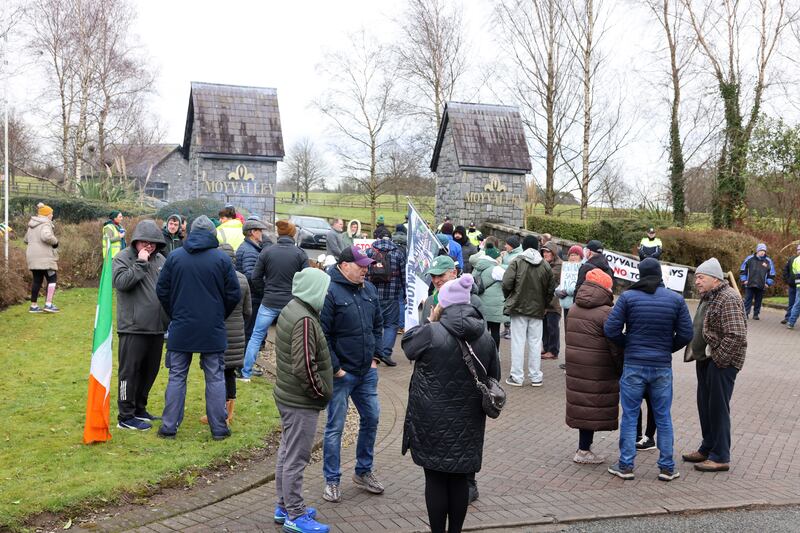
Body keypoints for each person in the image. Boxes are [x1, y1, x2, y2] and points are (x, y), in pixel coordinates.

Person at [401, 275, 500, 533]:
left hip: (430, 418)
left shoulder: (430, 332)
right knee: (459, 479)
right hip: (468, 419)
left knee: (434, 478)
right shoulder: (486, 337)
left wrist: (432, 320)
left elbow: (408, 347)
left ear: (443, 304)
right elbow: (494, 376)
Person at [604, 258, 693, 481]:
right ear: (660, 275)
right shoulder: (676, 299)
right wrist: (666, 348)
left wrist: (629, 344)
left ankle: (625, 465)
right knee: (663, 417)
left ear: (640, 275)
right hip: (661, 366)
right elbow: (686, 333)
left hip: (634, 364)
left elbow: (611, 328)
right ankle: (667, 467)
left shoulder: (628, 297)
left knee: (630, 416)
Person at [155, 216, 241, 440]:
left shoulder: (175, 257)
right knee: (214, 377)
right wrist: (218, 314)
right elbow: (233, 294)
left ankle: (169, 427)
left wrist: (175, 313)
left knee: (177, 376)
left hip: (182, 325)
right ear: (212, 234)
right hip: (211, 327)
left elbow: (162, 290)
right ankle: (219, 429)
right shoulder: (222, 260)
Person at [320, 246, 384, 503]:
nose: (365, 270)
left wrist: (375, 357)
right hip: (341, 375)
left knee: (372, 417)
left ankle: (363, 471)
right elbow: (322, 335)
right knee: (334, 427)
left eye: (367, 265)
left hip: (366, 372)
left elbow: (378, 324)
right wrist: (336, 368)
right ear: (344, 265)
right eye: (360, 266)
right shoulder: (330, 291)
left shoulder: (368, 290)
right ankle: (332, 480)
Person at [273, 268, 333, 533]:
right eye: (325, 289)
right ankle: (295, 515)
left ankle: (284, 506)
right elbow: (304, 367)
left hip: (288, 396)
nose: (328, 293)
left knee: (287, 451)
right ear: (314, 290)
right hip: (299, 401)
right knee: (296, 458)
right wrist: (320, 394)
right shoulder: (305, 319)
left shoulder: (293, 307)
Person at [683, 258, 747, 473]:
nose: (697, 282)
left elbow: (736, 334)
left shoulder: (728, 298)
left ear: (715, 279)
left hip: (721, 362)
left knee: (718, 409)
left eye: (701, 278)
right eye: (696, 278)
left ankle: (720, 456)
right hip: (706, 360)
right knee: (706, 406)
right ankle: (707, 448)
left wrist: (719, 360)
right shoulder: (709, 296)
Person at [112, 220, 168, 431]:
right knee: (129, 372)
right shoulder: (123, 258)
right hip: (133, 328)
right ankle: (125, 416)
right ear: (136, 241)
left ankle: (139, 408)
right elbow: (121, 283)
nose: (149, 246)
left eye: (153, 243)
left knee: (150, 371)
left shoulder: (160, 259)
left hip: (157, 327)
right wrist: (141, 263)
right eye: (145, 242)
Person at [565, 269, 622, 464]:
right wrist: (620, 367)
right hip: (599, 368)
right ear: (606, 288)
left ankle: (583, 448)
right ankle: (583, 451)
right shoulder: (606, 312)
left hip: (577, 366)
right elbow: (614, 345)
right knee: (591, 406)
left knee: (583, 406)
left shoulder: (573, 308)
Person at [241, 220, 309, 381]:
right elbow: (306, 279)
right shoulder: (300, 254)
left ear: (279, 234)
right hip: (291, 304)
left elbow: (255, 277)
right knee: (293, 341)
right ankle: (292, 377)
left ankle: (246, 374)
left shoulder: (267, 252)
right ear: (293, 234)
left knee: (256, 336)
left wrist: (265, 291)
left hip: (269, 301)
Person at [200, 244, 251, 427]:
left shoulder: (213, 278)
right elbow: (248, 310)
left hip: (216, 330)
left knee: (214, 373)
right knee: (229, 373)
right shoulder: (243, 279)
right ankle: (229, 414)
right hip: (237, 331)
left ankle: (216, 413)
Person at [502, 235, 556, 387]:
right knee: (535, 342)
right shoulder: (545, 265)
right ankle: (536, 376)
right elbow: (551, 288)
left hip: (518, 307)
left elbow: (506, 283)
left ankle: (517, 376)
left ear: (524, 246)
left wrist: (510, 297)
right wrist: (545, 304)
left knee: (518, 342)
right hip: (538, 310)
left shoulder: (517, 262)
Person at [367, 235, 406, 367]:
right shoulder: (398, 253)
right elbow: (404, 275)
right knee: (391, 325)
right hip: (392, 296)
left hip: (372, 295)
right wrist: (406, 294)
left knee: (372, 325)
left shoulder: (370, 252)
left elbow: (365, 272)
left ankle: (372, 353)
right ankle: (385, 353)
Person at [236, 217, 272, 346]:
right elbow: (250, 276)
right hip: (252, 297)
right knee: (249, 332)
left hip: (250, 296)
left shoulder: (248, 247)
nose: (261, 233)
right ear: (252, 232)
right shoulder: (250, 251)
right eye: (259, 231)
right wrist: (263, 290)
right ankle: (244, 365)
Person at [421, 255, 484, 327]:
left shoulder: (473, 301)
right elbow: (422, 333)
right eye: (433, 276)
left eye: (441, 275)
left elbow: (481, 335)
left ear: (454, 273)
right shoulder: (430, 301)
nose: (436, 280)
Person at [25, 203, 60, 314]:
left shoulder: (32, 225)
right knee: (52, 278)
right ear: (47, 215)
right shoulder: (45, 224)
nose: (52, 216)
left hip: (32, 257)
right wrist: (55, 242)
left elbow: (26, 239)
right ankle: (48, 304)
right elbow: (46, 236)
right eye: (51, 214)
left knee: (37, 280)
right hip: (45, 258)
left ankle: (33, 306)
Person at [470, 242, 505, 350]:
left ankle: (482, 353)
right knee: (495, 331)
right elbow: (508, 279)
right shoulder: (496, 269)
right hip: (494, 306)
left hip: (481, 304)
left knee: (483, 332)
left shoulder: (477, 267)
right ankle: (495, 353)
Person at [739, 243, 775, 320]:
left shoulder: (768, 261)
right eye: (761, 250)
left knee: (758, 300)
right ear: (757, 251)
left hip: (761, 284)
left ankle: (756, 314)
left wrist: (768, 283)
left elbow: (772, 273)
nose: (762, 252)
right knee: (748, 299)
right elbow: (743, 269)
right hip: (749, 283)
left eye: (764, 251)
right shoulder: (749, 259)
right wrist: (744, 280)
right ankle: (746, 313)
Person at [541, 242, 562, 360]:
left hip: (554, 302)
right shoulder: (545, 264)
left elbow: (547, 277)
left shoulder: (559, 265)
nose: (545, 254)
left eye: (547, 251)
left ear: (553, 252)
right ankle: (546, 347)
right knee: (544, 327)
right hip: (544, 302)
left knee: (553, 328)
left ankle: (553, 351)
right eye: (544, 251)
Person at [501, 236, 523, 340]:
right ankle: (506, 328)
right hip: (506, 282)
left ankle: (512, 330)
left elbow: (512, 268)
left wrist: (498, 265)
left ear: (512, 246)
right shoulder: (508, 254)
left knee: (511, 306)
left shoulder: (518, 256)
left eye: (507, 244)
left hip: (514, 284)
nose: (505, 246)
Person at [781, 244, 800, 325]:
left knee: (796, 303)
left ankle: (791, 320)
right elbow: (786, 270)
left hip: (797, 285)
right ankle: (788, 318)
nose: (799, 251)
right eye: (798, 250)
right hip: (793, 285)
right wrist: (788, 280)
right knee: (791, 303)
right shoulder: (792, 259)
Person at [787, 248, 800, 329]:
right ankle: (791, 322)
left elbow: (794, 271)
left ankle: (791, 322)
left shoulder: (796, 260)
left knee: (797, 304)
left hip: (798, 284)